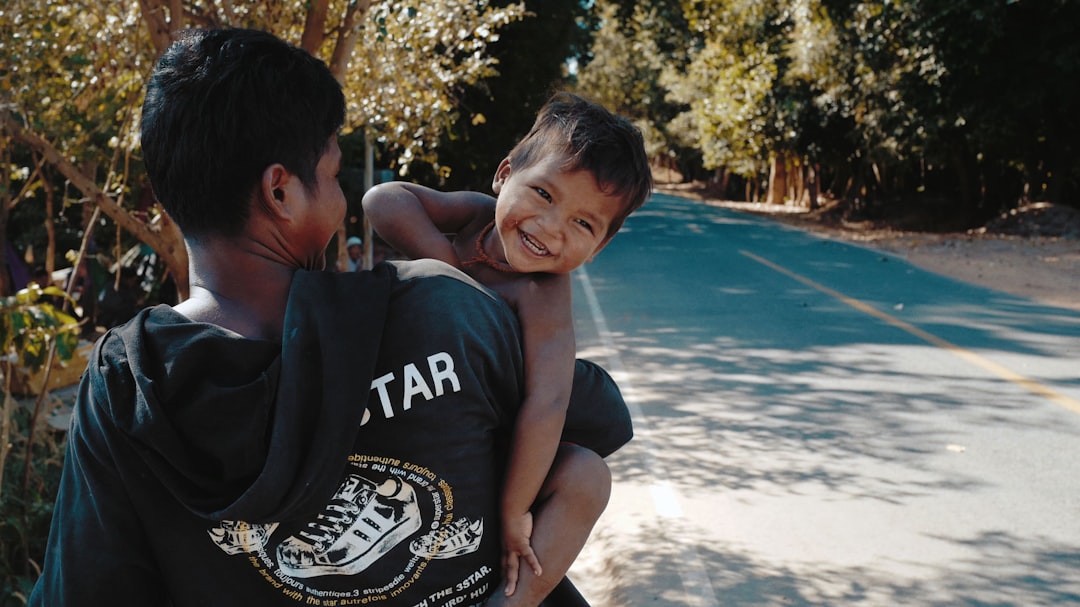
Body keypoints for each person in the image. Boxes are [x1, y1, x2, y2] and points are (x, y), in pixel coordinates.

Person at [30, 28, 631, 607]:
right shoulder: (443, 311)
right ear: (281, 193)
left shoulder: (125, 384)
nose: (344, 197)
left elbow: (90, 583)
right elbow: (597, 416)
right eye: (332, 173)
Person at [362, 92, 652, 593]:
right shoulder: (472, 216)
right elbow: (381, 200)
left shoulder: (544, 296)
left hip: (480, 441)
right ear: (504, 175)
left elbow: (549, 402)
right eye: (543, 194)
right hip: (397, 406)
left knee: (587, 477)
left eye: (583, 223)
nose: (550, 227)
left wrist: (516, 510)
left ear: (599, 247)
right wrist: (446, 276)